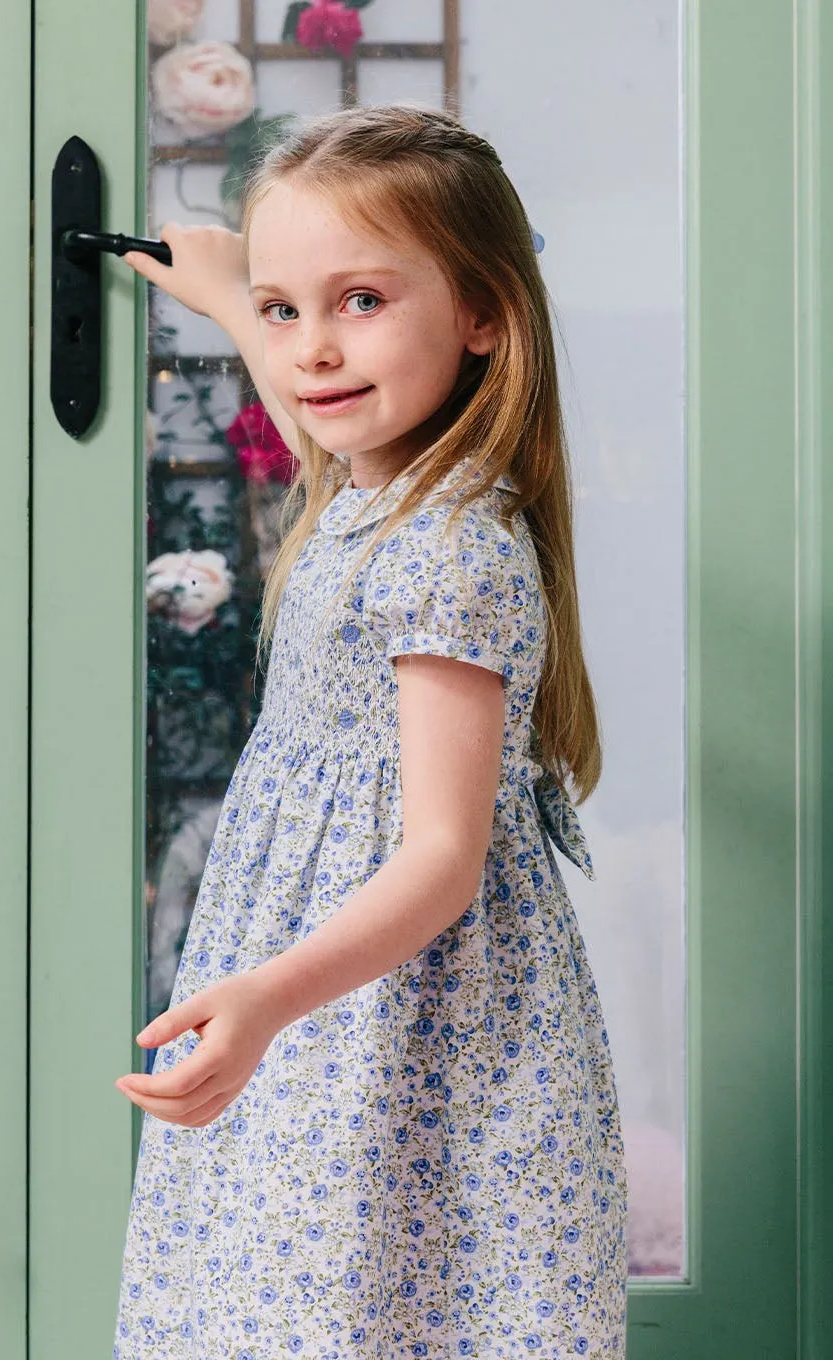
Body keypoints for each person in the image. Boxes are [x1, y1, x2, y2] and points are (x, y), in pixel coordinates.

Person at [112, 102, 627, 1358]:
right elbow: (314, 411)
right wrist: (239, 300)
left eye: (361, 302)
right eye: (294, 313)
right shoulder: (388, 491)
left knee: (375, 1301)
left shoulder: (451, 549)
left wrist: (263, 1000)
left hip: (392, 1015)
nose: (314, 353)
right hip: (338, 997)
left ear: (484, 315)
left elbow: (442, 855)